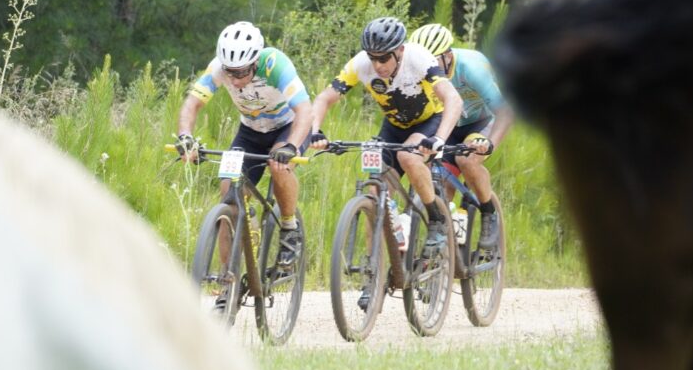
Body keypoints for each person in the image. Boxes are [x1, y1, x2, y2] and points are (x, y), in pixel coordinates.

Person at [309, 16, 463, 310]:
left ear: (400, 51)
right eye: (373, 58)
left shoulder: (419, 59)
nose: (377, 65)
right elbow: (325, 99)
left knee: (408, 154)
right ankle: (374, 275)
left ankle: (436, 217)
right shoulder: (360, 65)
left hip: (429, 121)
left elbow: (452, 99)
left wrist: (440, 138)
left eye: (384, 58)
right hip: (393, 126)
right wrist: (315, 132)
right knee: (375, 192)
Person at [175, 21, 313, 311]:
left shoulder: (276, 64)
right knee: (229, 195)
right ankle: (229, 282)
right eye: (230, 73)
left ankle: (289, 227)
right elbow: (191, 104)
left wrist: (290, 146)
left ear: (255, 61)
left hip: (287, 128)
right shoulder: (219, 67)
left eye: (241, 73)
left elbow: (305, 110)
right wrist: (186, 138)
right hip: (250, 132)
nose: (235, 81)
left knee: (279, 166)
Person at [408, 23, 514, 249]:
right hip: (449, 125)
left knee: (467, 160)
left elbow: (505, 111)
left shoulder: (470, 68)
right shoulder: (421, 73)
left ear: (447, 56)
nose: (428, 68)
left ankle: (488, 212)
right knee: (441, 184)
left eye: (433, 61)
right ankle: (444, 255)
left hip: (481, 121)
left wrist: (489, 144)